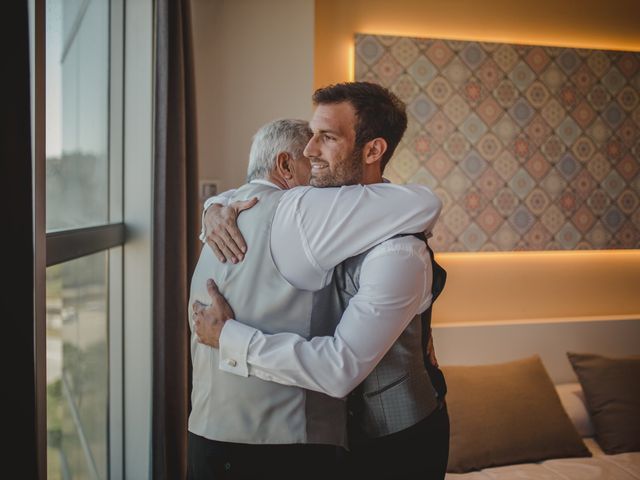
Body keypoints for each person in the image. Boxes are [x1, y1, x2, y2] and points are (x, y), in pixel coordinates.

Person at [194, 82, 449, 479]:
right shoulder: (315, 214)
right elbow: (265, 197)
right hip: (337, 441)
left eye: (326, 138)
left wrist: (228, 337)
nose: (309, 150)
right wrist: (216, 207)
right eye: (312, 136)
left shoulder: (398, 251)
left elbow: (339, 367)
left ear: (373, 150)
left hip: (396, 441)